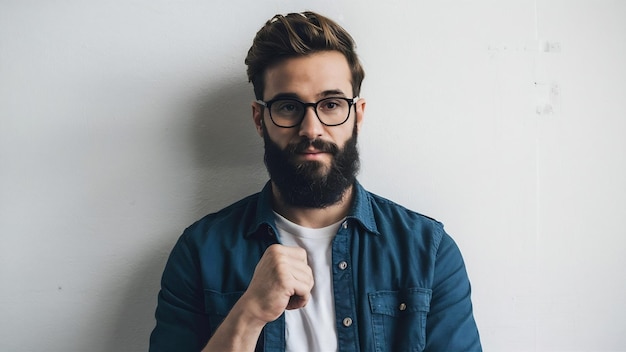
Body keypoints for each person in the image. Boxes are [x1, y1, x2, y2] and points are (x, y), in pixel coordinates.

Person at [149, 11, 481, 352]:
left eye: (332, 104)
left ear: (358, 115)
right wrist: (248, 315)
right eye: (289, 106)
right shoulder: (200, 253)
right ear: (260, 119)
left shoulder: (427, 251)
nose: (311, 129)